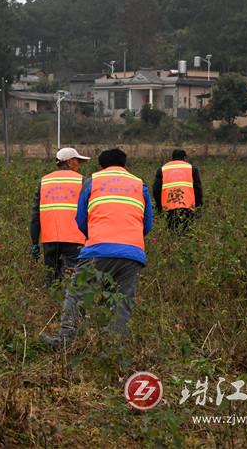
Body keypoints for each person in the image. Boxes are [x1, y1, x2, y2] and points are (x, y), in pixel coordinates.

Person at [42, 148, 153, 350]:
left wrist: (94, 235)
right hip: (133, 253)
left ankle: (64, 341)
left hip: (98, 249)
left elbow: (81, 219)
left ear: (100, 166)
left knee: (76, 294)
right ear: (125, 166)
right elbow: (148, 225)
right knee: (122, 302)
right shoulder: (139, 184)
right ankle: (115, 349)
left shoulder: (93, 182)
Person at [30, 147, 90, 287]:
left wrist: (34, 242)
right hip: (74, 240)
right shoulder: (83, 181)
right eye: (77, 161)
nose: (79, 165)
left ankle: (51, 306)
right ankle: (69, 308)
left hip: (50, 240)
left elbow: (35, 215)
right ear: (69, 162)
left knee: (52, 281)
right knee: (74, 282)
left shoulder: (44, 181)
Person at [152, 149, 203, 233]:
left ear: (172, 158)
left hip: (169, 206)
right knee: (187, 232)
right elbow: (198, 189)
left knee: (171, 232)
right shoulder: (192, 169)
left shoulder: (163, 169)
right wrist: (198, 206)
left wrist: (159, 207)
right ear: (185, 158)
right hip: (188, 205)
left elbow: (156, 190)